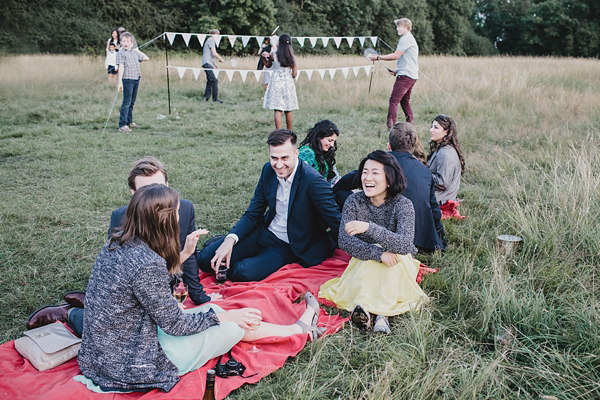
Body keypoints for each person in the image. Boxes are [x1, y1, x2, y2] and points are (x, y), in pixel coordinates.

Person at [26, 184, 324, 392]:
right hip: (132, 362)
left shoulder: (117, 243)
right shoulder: (146, 262)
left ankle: (298, 329)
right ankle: (300, 329)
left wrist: (183, 256)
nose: (180, 217)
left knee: (216, 310)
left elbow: (145, 287)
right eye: (176, 212)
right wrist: (223, 317)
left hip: (108, 348)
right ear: (163, 221)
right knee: (232, 324)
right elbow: (176, 324)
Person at [197, 129, 341, 282]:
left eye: (284, 158)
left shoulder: (314, 182)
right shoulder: (268, 170)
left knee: (241, 272)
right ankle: (226, 243)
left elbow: (335, 220)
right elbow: (253, 213)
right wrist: (230, 240)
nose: (279, 165)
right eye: (274, 158)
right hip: (263, 231)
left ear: (296, 154)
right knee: (205, 260)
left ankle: (241, 261)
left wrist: (359, 246)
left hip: (288, 245)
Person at [319, 150, 428, 334]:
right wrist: (378, 254)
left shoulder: (403, 205)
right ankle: (378, 316)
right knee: (374, 265)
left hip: (398, 261)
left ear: (389, 178)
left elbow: (405, 245)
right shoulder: (354, 201)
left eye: (375, 173)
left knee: (390, 263)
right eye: (365, 172)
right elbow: (344, 241)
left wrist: (369, 228)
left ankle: (373, 313)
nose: (368, 178)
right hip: (366, 259)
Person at [107, 156, 213, 305]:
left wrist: (199, 297)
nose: (156, 197)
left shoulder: (185, 208)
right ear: (133, 193)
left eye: (160, 187)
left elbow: (188, 257)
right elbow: (118, 272)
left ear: (167, 185)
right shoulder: (121, 217)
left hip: (170, 286)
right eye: (146, 191)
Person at [388, 123, 445, 251]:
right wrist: (440, 237)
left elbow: (349, 181)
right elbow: (434, 208)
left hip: (393, 234)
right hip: (422, 236)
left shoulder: (383, 163)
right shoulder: (425, 171)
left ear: (389, 145)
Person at [368, 18, 418, 126]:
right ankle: (410, 123)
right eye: (397, 26)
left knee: (393, 100)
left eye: (399, 26)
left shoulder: (406, 39)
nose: (397, 28)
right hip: (410, 75)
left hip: (406, 76)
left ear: (406, 27)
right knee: (404, 101)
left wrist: (378, 57)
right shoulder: (409, 38)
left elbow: (396, 55)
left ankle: (390, 126)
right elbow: (407, 59)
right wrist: (397, 71)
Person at [427, 114, 466, 218]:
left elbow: (443, 182)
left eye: (436, 127)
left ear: (446, 132)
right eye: (432, 127)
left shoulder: (445, 153)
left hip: (441, 197)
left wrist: (422, 174)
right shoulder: (441, 148)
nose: (431, 130)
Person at [262, 34, 298, 130]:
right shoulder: (292, 57)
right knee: (288, 109)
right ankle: (289, 131)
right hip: (288, 82)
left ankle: (279, 133)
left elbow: (267, 65)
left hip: (276, 82)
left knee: (277, 109)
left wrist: (264, 57)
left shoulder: (273, 54)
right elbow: (294, 74)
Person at [116, 32, 148, 132]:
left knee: (132, 102)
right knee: (127, 102)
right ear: (120, 42)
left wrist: (137, 50)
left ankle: (129, 122)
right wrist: (119, 82)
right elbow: (121, 67)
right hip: (127, 79)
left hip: (136, 79)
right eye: (123, 41)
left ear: (131, 42)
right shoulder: (121, 53)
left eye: (128, 41)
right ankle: (122, 125)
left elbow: (146, 58)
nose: (125, 43)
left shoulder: (134, 52)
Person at [298, 119, 341, 186]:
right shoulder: (307, 152)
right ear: (319, 137)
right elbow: (301, 179)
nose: (332, 145)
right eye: (330, 140)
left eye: (333, 141)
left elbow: (334, 178)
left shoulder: (326, 152)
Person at [202, 29, 225, 103]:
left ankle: (206, 97)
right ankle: (215, 99)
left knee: (210, 80)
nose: (218, 36)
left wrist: (214, 64)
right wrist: (221, 59)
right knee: (214, 80)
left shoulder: (210, 40)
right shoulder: (211, 40)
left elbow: (209, 54)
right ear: (214, 34)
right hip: (207, 63)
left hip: (208, 63)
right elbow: (214, 53)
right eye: (218, 34)